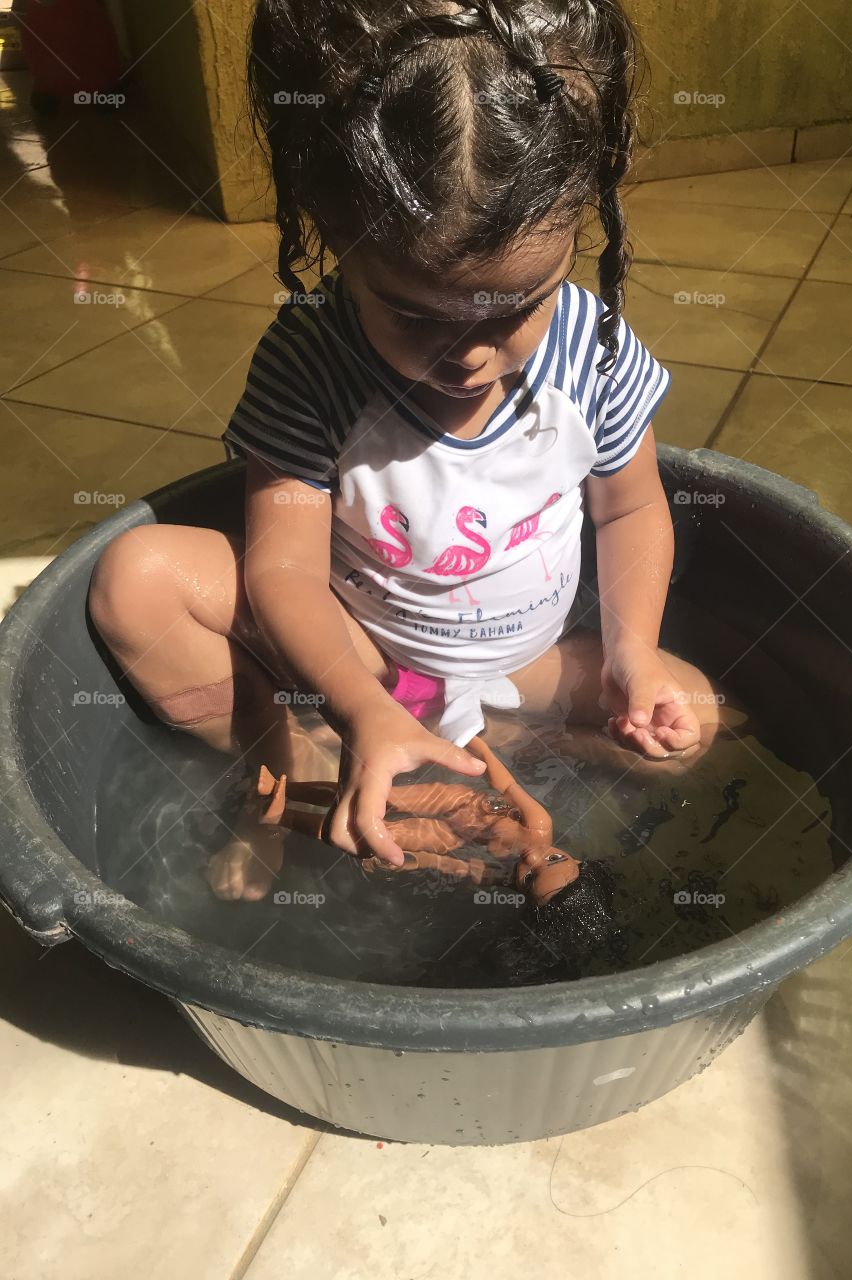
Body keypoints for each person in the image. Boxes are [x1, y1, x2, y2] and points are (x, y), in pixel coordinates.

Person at [88, 0, 725, 907]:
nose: (469, 353)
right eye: (418, 315)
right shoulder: (312, 362)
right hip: (366, 649)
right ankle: (289, 765)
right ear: (337, 237)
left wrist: (633, 657)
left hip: (528, 665)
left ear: (578, 227)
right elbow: (287, 570)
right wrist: (357, 702)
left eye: (513, 309)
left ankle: (485, 751)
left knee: (690, 722)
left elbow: (629, 507)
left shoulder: (594, 350)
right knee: (136, 578)